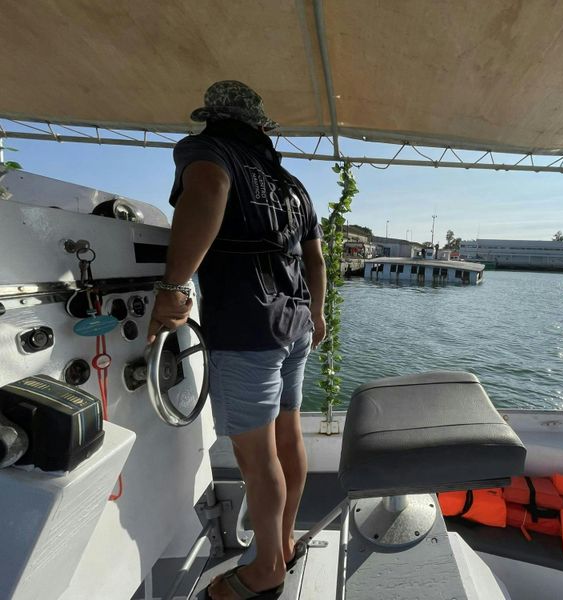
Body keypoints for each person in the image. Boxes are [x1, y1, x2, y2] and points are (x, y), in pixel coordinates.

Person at [147, 80, 326, 600]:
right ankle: (283, 542)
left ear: (213, 119)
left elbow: (207, 191)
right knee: (288, 439)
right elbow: (313, 258)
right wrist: (316, 313)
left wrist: (175, 288)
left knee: (256, 457)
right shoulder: (292, 183)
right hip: (294, 325)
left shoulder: (208, 150)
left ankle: (267, 567)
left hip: (248, 327)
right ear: (260, 127)